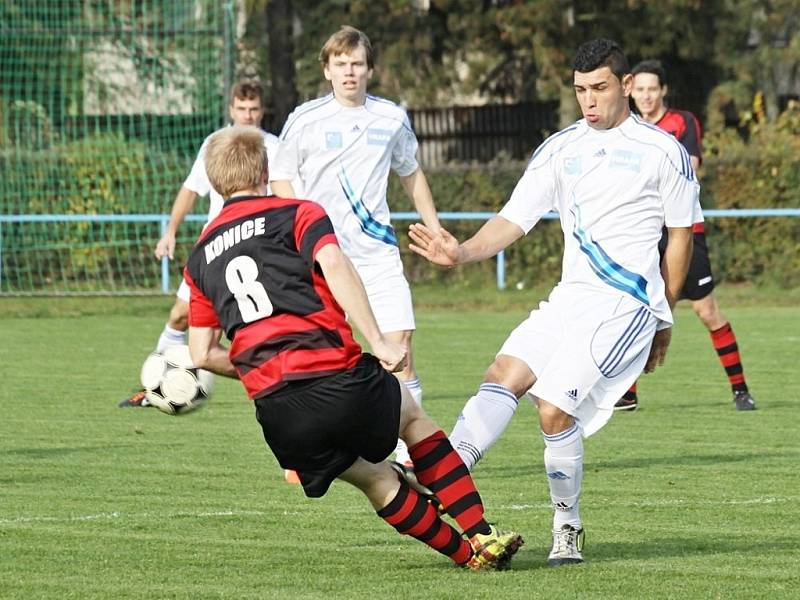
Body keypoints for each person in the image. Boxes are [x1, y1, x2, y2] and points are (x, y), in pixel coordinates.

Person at [408, 39, 699, 567]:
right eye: (580, 90)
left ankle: (568, 525)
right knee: (503, 373)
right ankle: (445, 475)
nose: (589, 101)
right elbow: (514, 219)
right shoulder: (560, 148)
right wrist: (462, 253)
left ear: (627, 85)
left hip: (626, 304)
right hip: (570, 298)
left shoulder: (664, 152)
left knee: (552, 410)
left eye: (600, 88)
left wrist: (666, 315)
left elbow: (680, 235)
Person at [183, 125, 523, 570]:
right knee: (414, 419)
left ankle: (467, 558)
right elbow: (336, 265)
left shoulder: (200, 255)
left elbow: (201, 353)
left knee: (377, 481)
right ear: (266, 171)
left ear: (213, 182)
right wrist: (378, 341)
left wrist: (260, 366)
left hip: (279, 413)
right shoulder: (298, 212)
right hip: (336, 376)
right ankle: (481, 533)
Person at [269, 26, 440, 467]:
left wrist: (434, 226)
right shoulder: (305, 119)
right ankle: (312, 449)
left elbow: (412, 172)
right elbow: (281, 175)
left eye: (357, 64)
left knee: (400, 351)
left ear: (369, 69)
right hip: (324, 258)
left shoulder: (391, 118)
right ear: (327, 70)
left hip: (379, 254)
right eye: (341, 64)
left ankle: (405, 452)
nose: (350, 72)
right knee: (320, 359)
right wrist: (299, 229)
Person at [119, 81, 279, 408]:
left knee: (242, 332)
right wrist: (171, 231)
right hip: (213, 250)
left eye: (254, 109)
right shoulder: (216, 144)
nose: (247, 115)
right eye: (241, 108)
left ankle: (280, 380)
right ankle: (155, 385)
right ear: (231, 109)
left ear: (262, 111)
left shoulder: (275, 148)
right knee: (179, 316)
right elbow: (191, 189)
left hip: (254, 254)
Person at [619, 59, 756, 412]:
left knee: (707, 311)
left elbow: (690, 167)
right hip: (646, 232)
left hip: (685, 229)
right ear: (630, 90)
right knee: (641, 310)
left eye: (653, 89)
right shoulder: (626, 129)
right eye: (640, 90)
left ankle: (741, 389)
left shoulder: (683, 122)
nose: (646, 96)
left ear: (663, 91)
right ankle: (628, 393)